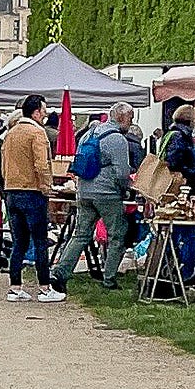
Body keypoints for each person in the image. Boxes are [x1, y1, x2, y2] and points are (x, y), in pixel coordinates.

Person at [51, 103, 138, 293]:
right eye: (130, 118)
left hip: (84, 191)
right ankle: (109, 279)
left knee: (80, 235)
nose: (131, 123)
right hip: (107, 194)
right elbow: (122, 173)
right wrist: (128, 189)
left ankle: (60, 272)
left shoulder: (89, 133)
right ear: (121, 117)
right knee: (117, 235)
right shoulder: (117, 139)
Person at [2, 93, 62, 302]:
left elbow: (3, 163)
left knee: (19, 242)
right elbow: (41, 164)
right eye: (44, 111)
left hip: (11, 190)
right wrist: (47, 186)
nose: (45, 115)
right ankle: (45, 287)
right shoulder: (37, 133)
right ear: (36, 112)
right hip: (32, 191)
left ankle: (15, 287)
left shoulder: (11, 133)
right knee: (40, 241)